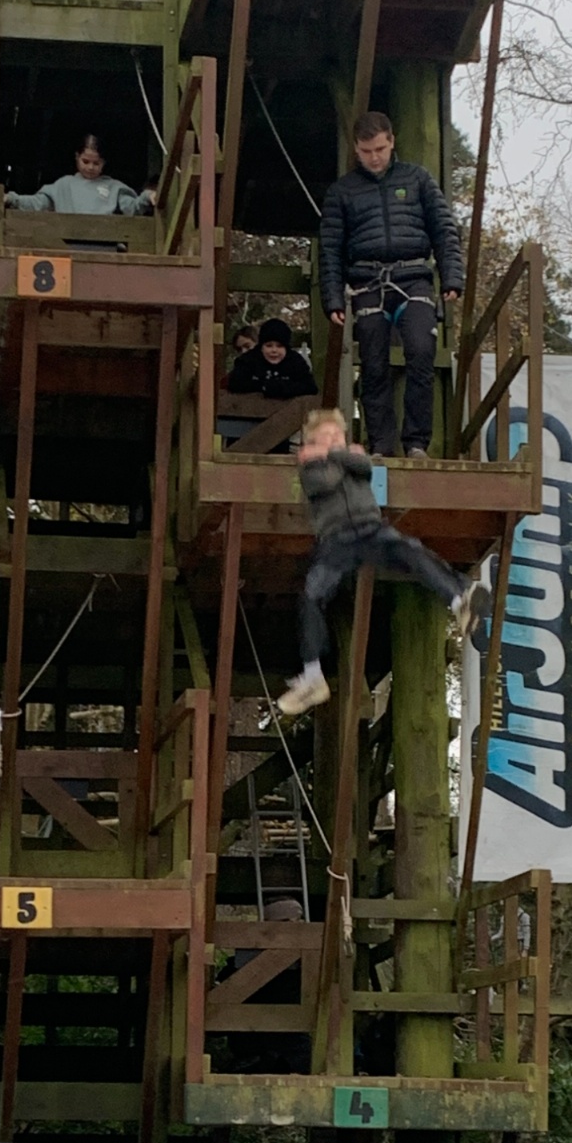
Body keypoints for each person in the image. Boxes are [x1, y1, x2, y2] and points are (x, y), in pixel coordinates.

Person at [277, 409, 488, 716]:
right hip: (336, 539)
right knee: (312, 595)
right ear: (312, 441)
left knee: (413, 552)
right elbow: (328, 481)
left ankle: (459, 600)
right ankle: (312, 675)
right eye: (327, 436)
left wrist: (331, 453)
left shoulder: (340, 458)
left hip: (371, 529)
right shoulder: (310, 468)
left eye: (338, 436)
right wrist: (339, 456)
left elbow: (365, 466)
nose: (335, 441)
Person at [318, 111, 464, 459]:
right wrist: (333, 298)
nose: (375, 157)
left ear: (392, 141)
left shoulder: (418, 179)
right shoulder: (342, 192)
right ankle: (381, 443)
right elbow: (330, 249)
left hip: (413, 277)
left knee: (421, 351)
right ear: (356, 149)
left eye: (380, 149)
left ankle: (416, 442)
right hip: (367, 281)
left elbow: (444, 230)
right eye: (367, 151)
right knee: (373, 363)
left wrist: (452, 276)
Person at [5, 134, 155, 216]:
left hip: (105, 245)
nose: (90, 167)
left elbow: (132, 207)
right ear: (77, 157)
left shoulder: (114, 187)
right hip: (64, 243)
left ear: (104, 163)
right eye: (85, 161)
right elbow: (37, 203)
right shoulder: (63, 185)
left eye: (96, 163)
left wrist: (148, 197)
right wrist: (12, 199)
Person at [225, 318, 319, 401]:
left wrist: (282, 387)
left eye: (279, 346)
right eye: (269, 346)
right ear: (261, 347)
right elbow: (235, 383)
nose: (274, 350)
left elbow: (310, 387)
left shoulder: (296, 362)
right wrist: (263, 386)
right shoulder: (248, 361)